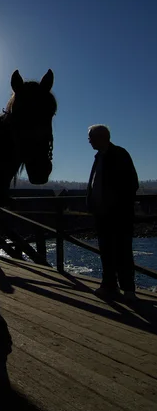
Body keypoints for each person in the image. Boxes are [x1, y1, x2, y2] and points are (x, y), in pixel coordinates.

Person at [86, 124, 139, 301]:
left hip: (118, 215)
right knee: (107, 251)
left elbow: (131, 183)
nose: (89, 140)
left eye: (91, 137)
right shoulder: (99, 156)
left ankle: (129, 290)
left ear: (101, 137)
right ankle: (109, 285)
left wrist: (115, 204)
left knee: (122, 251)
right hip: (102, 215)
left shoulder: (119, 154)